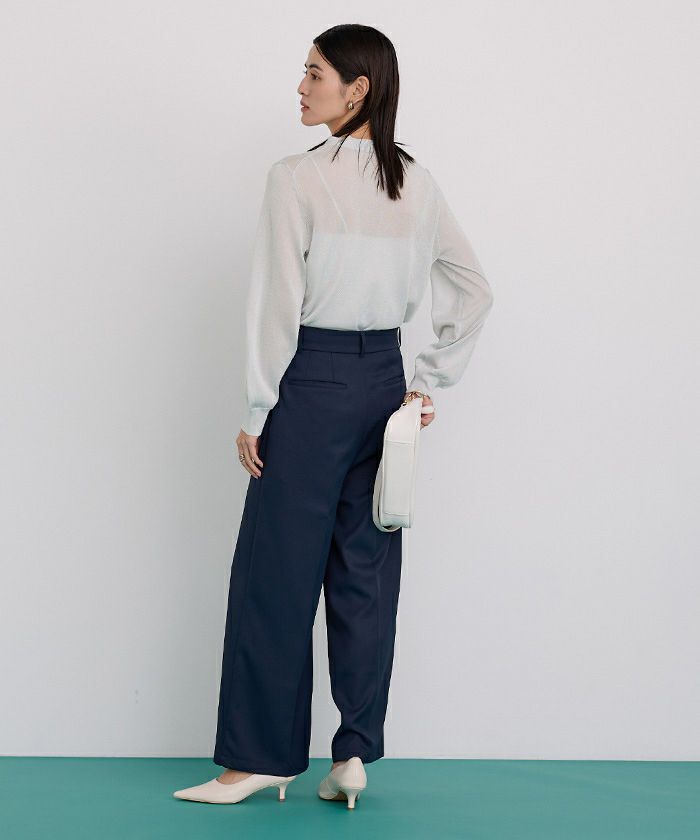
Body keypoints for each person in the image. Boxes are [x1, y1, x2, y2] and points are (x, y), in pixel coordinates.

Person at [173, 23, 494, 808]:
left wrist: (257, 408)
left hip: (311, 384)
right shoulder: (417, 182)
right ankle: (352, 755)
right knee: (364, 578)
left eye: (314, 73)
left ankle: (257, 761)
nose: (300, 85)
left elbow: (276, 303)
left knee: (275, 576)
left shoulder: (296, 178)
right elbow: (474, 289)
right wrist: (426, 382)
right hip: (384, 383)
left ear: (358, 89)